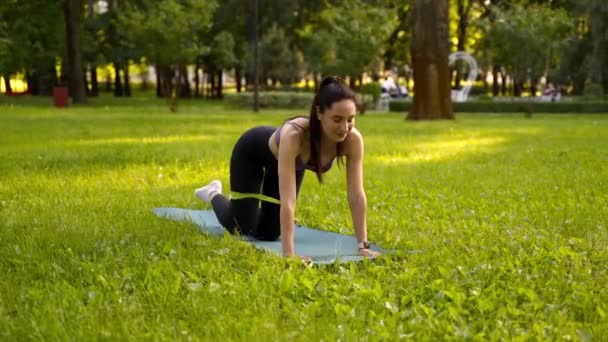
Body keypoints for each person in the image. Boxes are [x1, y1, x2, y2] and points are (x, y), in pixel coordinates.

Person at [194, 76, 381, 260]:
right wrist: (289, 254)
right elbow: (288, 201)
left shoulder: (353, 140)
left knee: (269, 233)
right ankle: (213, 192)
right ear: (319, 113)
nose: (344, 127)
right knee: (238, 226)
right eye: (337, 119)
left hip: (288, 163)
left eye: (350, 119)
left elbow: (356, 195)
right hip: (252, 153)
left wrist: (363, 246)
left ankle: (251, 210)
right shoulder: (295, 136)